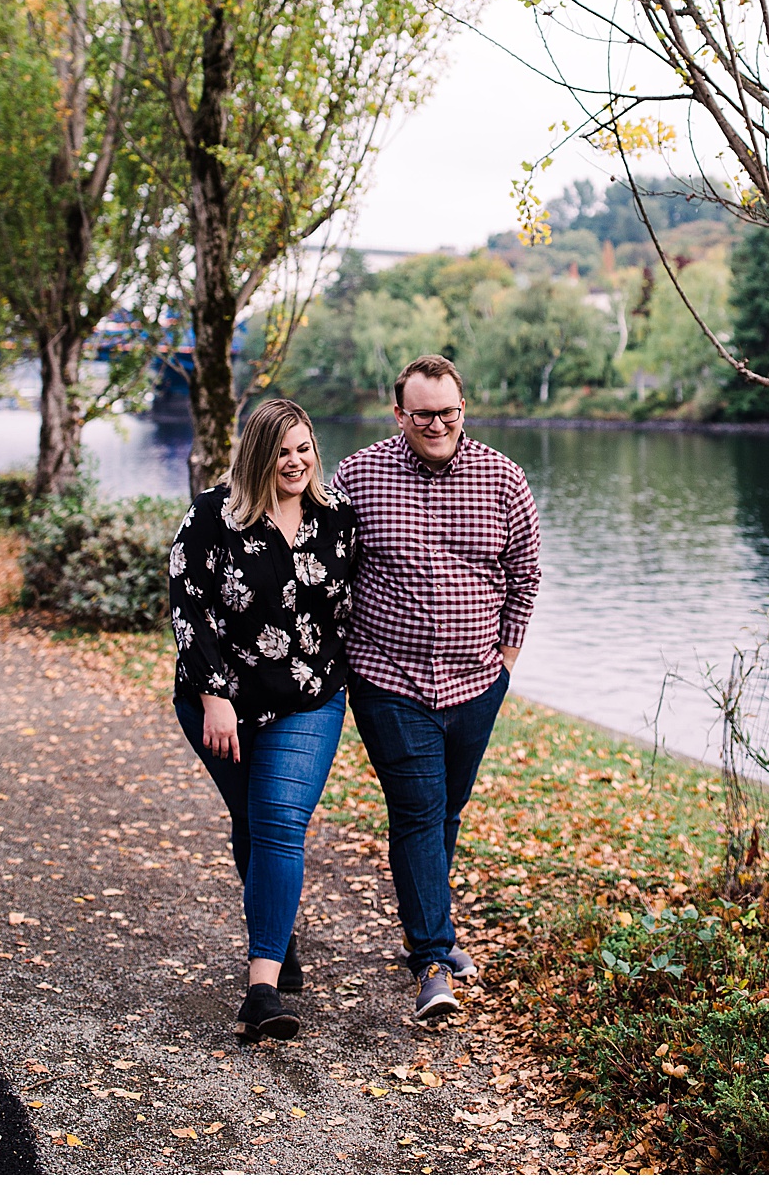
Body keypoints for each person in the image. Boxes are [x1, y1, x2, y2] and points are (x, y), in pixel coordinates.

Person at [332, 354, 541, 1022]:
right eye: (423, 415)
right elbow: (323, 559)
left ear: (462, 409)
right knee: (419, 811)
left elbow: (525, 575)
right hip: (388, 680)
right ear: (400, 414)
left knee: (445, 811)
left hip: (477, 683)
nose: (438, 424)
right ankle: (431, 959)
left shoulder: (504, 480)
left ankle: (430, 925)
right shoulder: (358, 476)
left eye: (449, 413)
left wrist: (505, 660)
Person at [170, 397, 356, 1042]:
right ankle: (278, 934)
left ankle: (261, 990)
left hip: (310, 697)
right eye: (282, 451)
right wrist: (213, 695)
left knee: (279, 824)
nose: (296, 461)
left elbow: (357, 608)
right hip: (220, 703)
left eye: (304, 448)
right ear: (257, 454)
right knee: (252, 819)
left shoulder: (336, 521)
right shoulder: (211, 517)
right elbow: (188, 609)